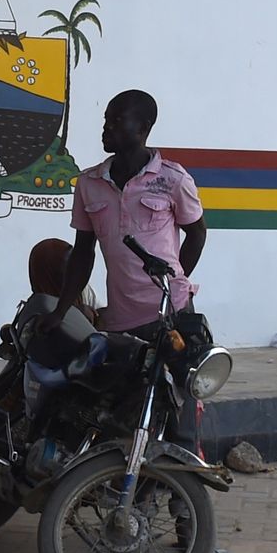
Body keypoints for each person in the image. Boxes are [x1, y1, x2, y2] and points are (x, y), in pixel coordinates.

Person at [47, 90, 209, 442]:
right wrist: (61, 311)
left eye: (117, 121)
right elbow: (83, 253)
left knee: (179, 411)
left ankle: (183, 492)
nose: (106, 128)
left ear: (144, 128)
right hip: (122, 321)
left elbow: (197, 233)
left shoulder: (173, 179)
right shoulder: (89, 184)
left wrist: (174, 283)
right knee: (121, 410)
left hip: (171, 316)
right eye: (106, 120)